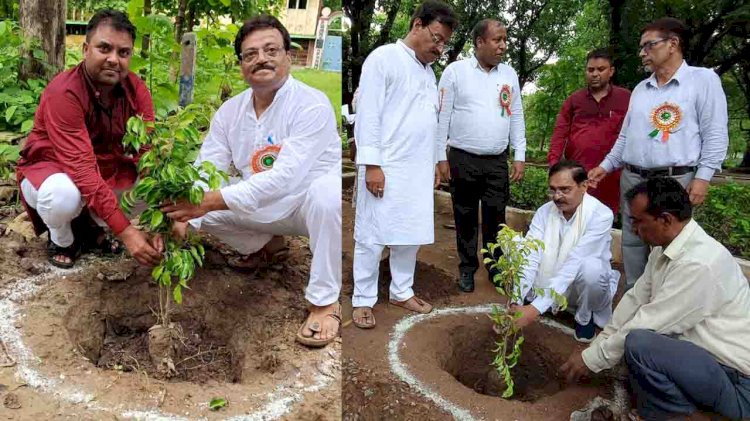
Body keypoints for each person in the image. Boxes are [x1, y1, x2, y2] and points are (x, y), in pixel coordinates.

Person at [160, 15, 342, 348]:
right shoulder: (229, 112)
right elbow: (207, 169)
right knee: (195, 208)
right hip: (256, 206)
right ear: (242, 65)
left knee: (327, 196)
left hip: (302, 208)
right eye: (250, 54)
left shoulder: (311, 105)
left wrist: (206, 202)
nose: (261, 58)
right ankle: (267, 247)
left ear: (288, 55)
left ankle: (324, 301)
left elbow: (285, 179)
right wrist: (186, 215)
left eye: (271, 49)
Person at [561, 177, 750, 421]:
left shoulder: (699, 264)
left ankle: (682, 416)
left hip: (736, 382)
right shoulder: (665, 248)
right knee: (628, 349)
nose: (633, 229)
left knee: (639, 344)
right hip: (706, 365)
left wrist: (591, 359)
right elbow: (635, 299)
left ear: (666, 220)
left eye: (638, 222)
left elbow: (649, 323)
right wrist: (599, 346)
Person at [588, 18, 729, 290]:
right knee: (632, 242)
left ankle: (665, 308)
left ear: (673, 44)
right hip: (633, 178)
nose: (642, 53)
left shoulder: (703, 80)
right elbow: (626, 137)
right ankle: (634, 302)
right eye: (641, 47)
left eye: (648, 46)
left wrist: (703, 178)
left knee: (671, 248)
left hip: (676, 181)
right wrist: (605, 166)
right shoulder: (641, 89)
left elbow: (715, 133)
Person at [16, 9, 162, 269]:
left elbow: (147, 152)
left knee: (151, 184)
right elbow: (81, 170)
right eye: (104, 48)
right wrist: (127, 232)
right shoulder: (64, 92)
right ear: (85, 49)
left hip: (104, 170)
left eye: (123, 52)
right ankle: (63, 239)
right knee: (62, 197)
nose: (113, 60)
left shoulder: (136, 90)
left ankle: (90, 227)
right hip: (54, 171)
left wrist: (164, 219)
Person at [350, 0, 458, 329]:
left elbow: (432, 123)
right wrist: (371, 164)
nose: (439, 48)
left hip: (416, 169)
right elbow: (368, 114)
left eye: (445, 43)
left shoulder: (429, 73)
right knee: (372, 234)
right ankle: (363, 298)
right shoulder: (384, 59)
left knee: (409, 234)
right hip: (385, 165)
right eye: (436, 38)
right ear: (416, 26)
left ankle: (401, 290)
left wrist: (437, 162)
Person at [435, 19, 526, 293]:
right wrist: (440, 156)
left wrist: (519, 153)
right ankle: (467, 267)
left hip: (496, 161)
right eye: (497, 40)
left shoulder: (508, 74)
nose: (503, 45)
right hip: (462, 158)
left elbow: (517, 115)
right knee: (463, 215)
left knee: (495, 217)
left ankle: (495, 266)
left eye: (505, 40)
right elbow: (442, 117)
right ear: (479, 42)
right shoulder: (455, 72)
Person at [510, 160, 619, 342]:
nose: (557, 196)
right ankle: (538, 297)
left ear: (584, 186)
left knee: (591, 269)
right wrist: (517, 299)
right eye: (553, 189)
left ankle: (584, 316)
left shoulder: (601, 215)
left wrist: (534, 310)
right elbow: (530, 255)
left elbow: (575, 262)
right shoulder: (545, 212)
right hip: (554, 280)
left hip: (581, 286)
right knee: (517, 245)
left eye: (565, 189)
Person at [548, 48, 630, 214]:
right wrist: (554, 166)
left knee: (604, 218)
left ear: (611, 71)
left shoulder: (626, 98)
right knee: (572, 217)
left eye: (601, 69)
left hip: (611, 176)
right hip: (577, 175)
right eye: (590, 69)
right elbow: (559, 134)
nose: (595, 74)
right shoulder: (574, 100)